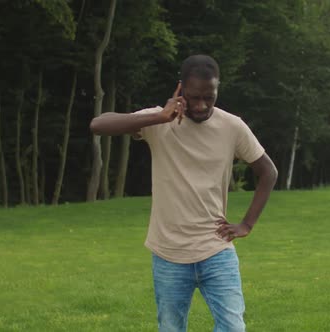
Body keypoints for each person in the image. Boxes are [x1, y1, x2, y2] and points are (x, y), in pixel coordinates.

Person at [90, 54, 277, 332]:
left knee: (233, 327)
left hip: (216, 250)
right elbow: (98, 124)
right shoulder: (159, 122)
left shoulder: (232, 126)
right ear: (180, 90)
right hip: (168, 254)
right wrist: (159, 116)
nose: (201, 105)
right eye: (193, 97)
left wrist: (247, 224)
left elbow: (268, 172)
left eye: (209, 97)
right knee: (171, 328)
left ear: (217, 90)